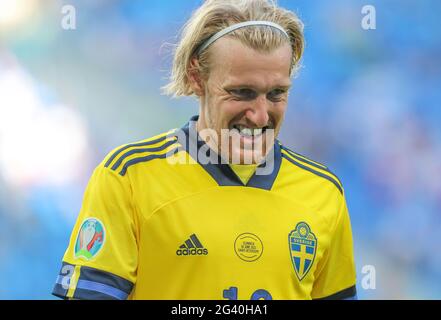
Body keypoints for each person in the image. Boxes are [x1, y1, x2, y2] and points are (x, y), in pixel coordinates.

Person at [52, 0, 357, 300]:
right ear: (197, 77)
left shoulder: (324, 192)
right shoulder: (128, 178)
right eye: (242, 92)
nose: (261, 115)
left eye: (276, 93)